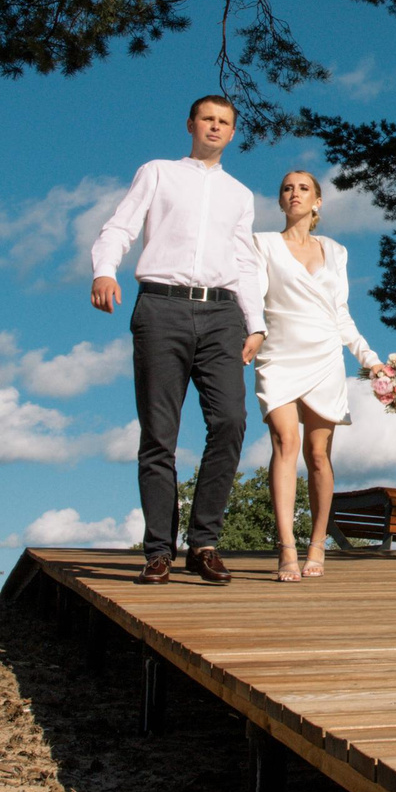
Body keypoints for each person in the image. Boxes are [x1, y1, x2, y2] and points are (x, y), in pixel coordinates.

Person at [89, 95, 267, 585]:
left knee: (230, 421)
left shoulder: (240, 194)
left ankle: (204, 543)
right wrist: (105, 271)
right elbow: (120, 227)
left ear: (232, 133)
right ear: (191, 124)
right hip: (160, 308)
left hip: (221, 314)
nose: (215, 127)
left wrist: (255, 323)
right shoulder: (158, 172)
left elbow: (245, 261)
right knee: (159, 434)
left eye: (224, 122)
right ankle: (159, 551)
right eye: (207, 119)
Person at [254, 170, 384, 581]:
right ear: (280, 201)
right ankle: (286, 548)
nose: (295, 193)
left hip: (325, 356)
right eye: (287, 188)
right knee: (285, 442)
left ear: (318, 202)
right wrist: (249, 334)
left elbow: (340, 312)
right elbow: (252, 299)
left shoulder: (336, 251)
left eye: (303, 188)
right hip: (278, 354)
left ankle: (316, 544)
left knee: (317, 455)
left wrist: (370, 358)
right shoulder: (263, 244)